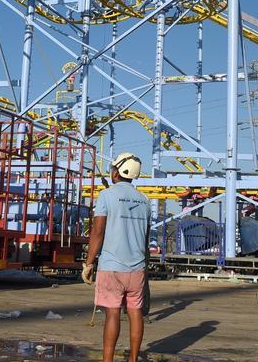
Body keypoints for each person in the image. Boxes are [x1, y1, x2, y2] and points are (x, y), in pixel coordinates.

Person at [83, 152, 150, 362]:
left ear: (118, 171)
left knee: (112, 313)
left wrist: (89, 263)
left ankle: (108, 360)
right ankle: (133, 359)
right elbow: (146, 239)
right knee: (135, 313)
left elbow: (98, 231)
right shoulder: (145, 200)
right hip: (137, 268)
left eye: (113, 168)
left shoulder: (107, 196)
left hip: (112, 266)